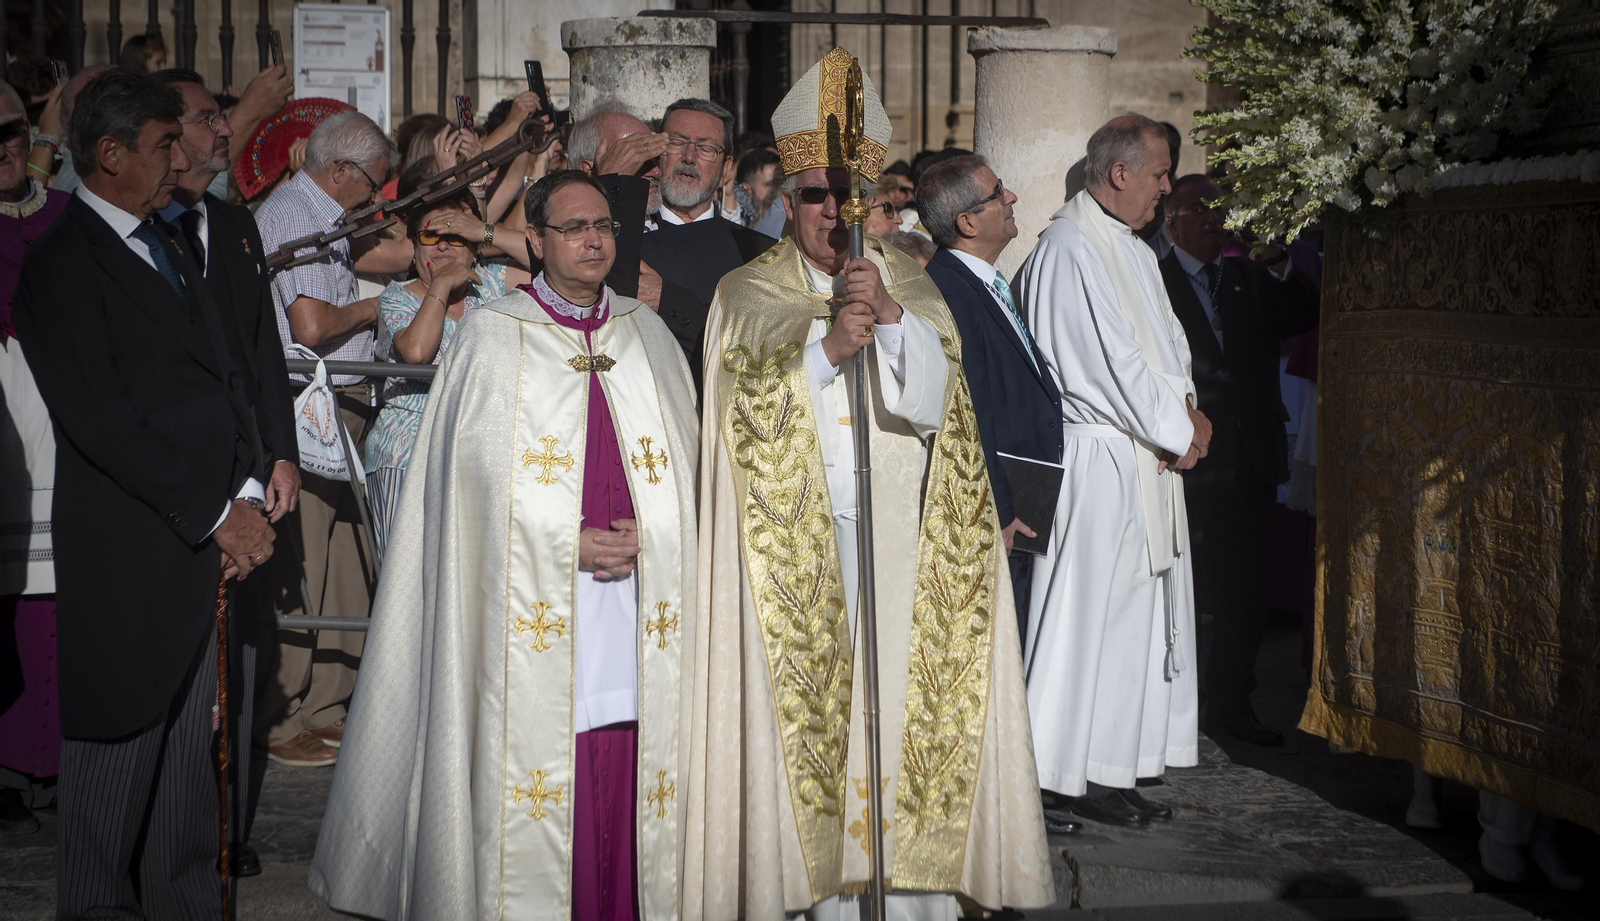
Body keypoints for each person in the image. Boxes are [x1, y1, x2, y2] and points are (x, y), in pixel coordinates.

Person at [687, 47, 1053, 918]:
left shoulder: (913, 287)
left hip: (900, 547)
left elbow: (943, 410)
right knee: (814, 733)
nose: (834, 213)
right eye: (814, 194)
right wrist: (825, 350)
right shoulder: (747, 292)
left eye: (852, 196)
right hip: (794, 556)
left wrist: (889, 323)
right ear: (786, 201)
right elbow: (734, 422)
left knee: (897, 726)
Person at [309, 170, 698, 919]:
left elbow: (689, 470)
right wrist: (565, 542)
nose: (594, 240)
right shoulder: (495, 335)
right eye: (576, 227)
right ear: (540, 241)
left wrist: (655, 530)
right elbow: (467, 495)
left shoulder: (646, 334)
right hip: (535, 600)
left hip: (645, 597)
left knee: (630, 748)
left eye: (605, 228)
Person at [13, 67, 276, 916]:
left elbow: (224, 372)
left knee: (185, 785)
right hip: (131, 552)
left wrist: (243, 484)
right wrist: (214, 515)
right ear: (109, 152)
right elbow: (105, 419)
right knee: (115, 764)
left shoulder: (168, 240)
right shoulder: (63, 265)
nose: (182, 157)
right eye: (165, 144)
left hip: (202, 548)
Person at [1017, 113, 1210, 828]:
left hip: (1144, 455)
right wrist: (1176, 424)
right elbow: (1105, 365)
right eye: (1160, 173)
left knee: (1135, 620)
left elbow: (1165, 347)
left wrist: (1187, 412)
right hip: (1102, 460)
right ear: (1119, 172)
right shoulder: (1071, 247)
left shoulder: (1127, 246)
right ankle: (1055, 772)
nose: (1168, 186)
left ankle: (1110, 764)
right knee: (1086, 621)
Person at [151, 67, 303, 877]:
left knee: (241, 667)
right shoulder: (140, 235)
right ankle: (165, 832)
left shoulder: (234, 226)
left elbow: (262, 353)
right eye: (210, 118)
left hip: (249, 478)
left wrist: (280, 451)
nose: (225, 131)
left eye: (219, 117)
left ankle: (227, 828)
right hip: (176, 493)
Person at [254, 109, 399, 769]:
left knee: (344, 553)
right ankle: (284, 716)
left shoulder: (324, 211)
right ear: (340, 169)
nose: (376, 194)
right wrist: (380, 305)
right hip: (310, 405)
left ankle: (329, 703)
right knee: (305, 556)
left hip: (339, 399)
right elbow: (310, 326)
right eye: (373, 181)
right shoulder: (294, 216)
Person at [1155, 174, 1318, 746]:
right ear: (1170, 218)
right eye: (1196, 207)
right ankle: (1167, 703)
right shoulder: (1154, 280)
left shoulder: (1246, 277)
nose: (1210, 217)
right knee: (1181, 589)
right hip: (1187, 463)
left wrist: (1275, 255)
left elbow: (1304, 312)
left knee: (1245, 591)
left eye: (1217, 208)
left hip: (1249, 459)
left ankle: (1229, 705)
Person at [920, 155, 1064, 685]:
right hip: (1002, 499)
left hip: (1027, 486)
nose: (1012, 198)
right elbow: (969, 408)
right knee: (1003, 644)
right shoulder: (950, 291)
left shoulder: (984, 282)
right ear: (967, 222)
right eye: (999, 192)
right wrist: (996, 510)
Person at [364, 176, 530, 551]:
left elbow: (556, 269)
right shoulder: (395, 299)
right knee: (406, 587)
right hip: (407, 459)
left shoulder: (491, 283)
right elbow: (418, 352)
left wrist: (486, 231)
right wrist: (441, 285)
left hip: (478, 457)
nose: (442, 244)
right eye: (431, 236)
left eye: (456, 236)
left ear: (474, 249)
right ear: (414, 248)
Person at [0, 79, 69, 835]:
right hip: (3, 427)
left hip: (61, 421)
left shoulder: (65, 215)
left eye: (14, 129)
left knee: (55, 599)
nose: (5, 147)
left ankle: (58, 758)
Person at [640, 98, 776, 390]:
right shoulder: (625, 242)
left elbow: (759, 352)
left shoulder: (760, 253)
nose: (689, 157)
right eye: (677, 142)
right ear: (658, 154)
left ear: (726, 168)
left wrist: (668, 300)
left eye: (706, 148)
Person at [734, 147, 785, 237]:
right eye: (769, 184)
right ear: (746, 189)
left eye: (779, 182)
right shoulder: (737, 223)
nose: (777, 189)